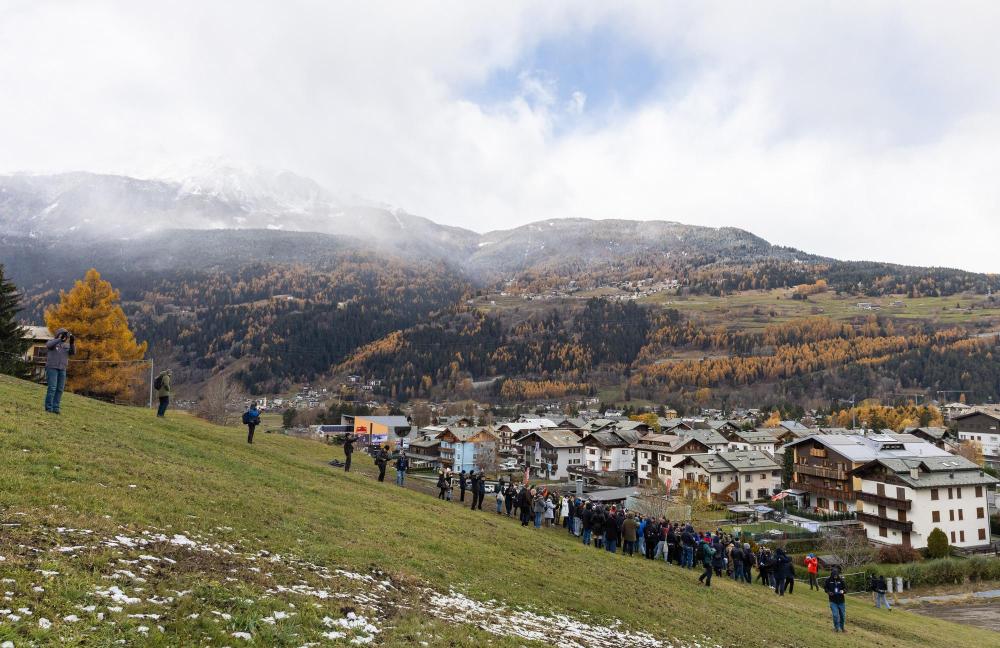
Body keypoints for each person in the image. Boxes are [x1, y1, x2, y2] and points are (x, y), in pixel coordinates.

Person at [44, 328, 75, 414]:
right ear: (58, 334)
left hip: (62, 369)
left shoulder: (66, 345)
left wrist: (72, 342)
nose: (64, 337)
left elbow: (73, 353)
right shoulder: (52, 342)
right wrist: (59, 339)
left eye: (65, 335)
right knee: (52, 388)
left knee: (60, 389)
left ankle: (56, 408)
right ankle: (48, 408)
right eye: (63, 334)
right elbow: (48, 346)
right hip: (52, 368)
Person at [825, 567, 847, 632]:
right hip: (833, 601)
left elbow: (846, 589)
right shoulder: (828, 580)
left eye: (836, 575)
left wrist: (843, 591)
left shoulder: (841, 580)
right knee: (835, 615)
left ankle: (842, 627)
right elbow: (825, 588)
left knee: (842, 615)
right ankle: (836, 628)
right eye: (834, 575)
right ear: (832, 574)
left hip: (841, 601)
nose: (835, 576)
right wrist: (829, 592)